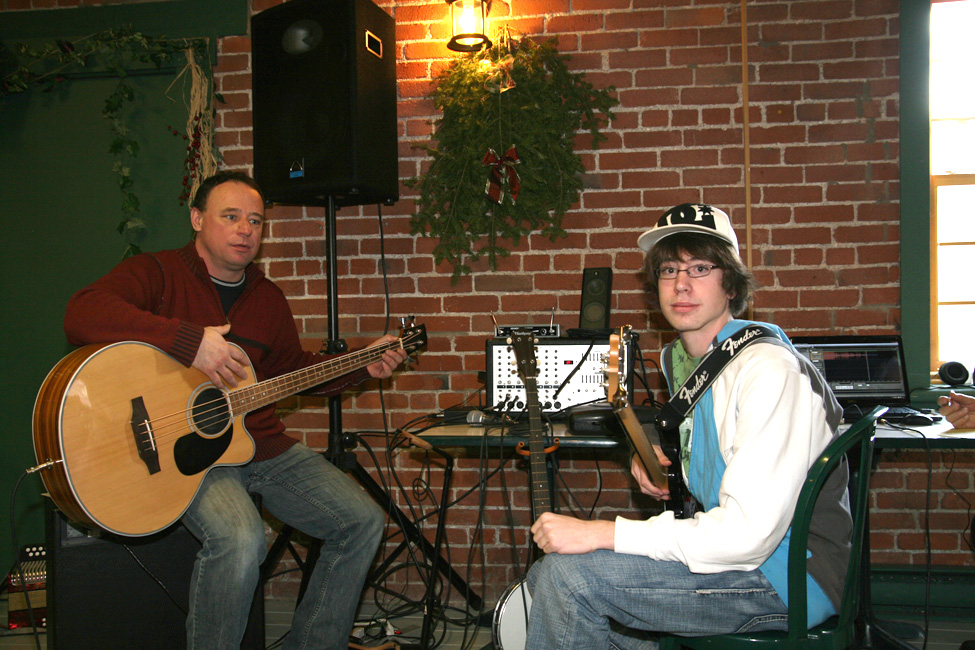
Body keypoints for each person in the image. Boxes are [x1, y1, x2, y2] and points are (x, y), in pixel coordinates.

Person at [63, 170, 408, 650]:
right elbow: (81, 312)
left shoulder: (268, 298)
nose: (246, 229)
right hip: (190, 456)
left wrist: (362, 367)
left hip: (260, 445)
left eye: (255, 221)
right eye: (231, 217)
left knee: (362, 520)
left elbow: (293, 370)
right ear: (197, 219)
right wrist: (188, 343)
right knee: (242, 538)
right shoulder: (158, 273)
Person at [526, 203, 850, 649]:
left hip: (787, 576)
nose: (681, 284)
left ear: (730, 281)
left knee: (568, 580)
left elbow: (745, 537)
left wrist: (603, 532)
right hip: (742, 560)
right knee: (549, 574)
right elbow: (724, 452)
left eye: (700, 267)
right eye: (667, 270)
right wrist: (670, 465)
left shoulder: (767, 370)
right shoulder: (690, 360)